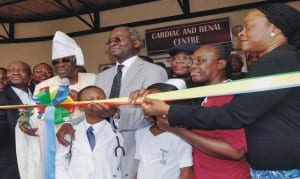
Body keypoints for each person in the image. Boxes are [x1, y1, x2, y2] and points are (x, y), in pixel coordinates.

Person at [133, 3, 300, 177]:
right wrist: (155, 93)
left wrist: (169, 112)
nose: (241, 32)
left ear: (274, 28)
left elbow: (235, 114)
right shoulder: (281, 60)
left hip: (284, 170)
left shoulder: (277, 61)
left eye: (247, 26)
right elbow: (186, 92)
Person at [57, 26, 168, 179]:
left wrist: (116, 113)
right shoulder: (103, 76)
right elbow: (94, 110)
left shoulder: (153, 71)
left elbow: (153, 113)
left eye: (118, 39)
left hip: (136, 147)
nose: (112, 43)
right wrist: (70, 124)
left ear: (136, 43)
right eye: (110, 41)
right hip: (104, 151)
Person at [151, 44, 250, 178]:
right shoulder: (207, 93)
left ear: (220, 64)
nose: (192, 66)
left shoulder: (225, 94)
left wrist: (177, 130)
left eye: (201, 61)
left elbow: (235, 151)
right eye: (192, 61)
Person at [15, 30, 96, 179]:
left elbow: (104, 111)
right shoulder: (44, 86)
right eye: (56, 62)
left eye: (65, 60)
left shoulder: (93, 80)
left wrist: (81, 101)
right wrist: (24, 120)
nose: (60, 65)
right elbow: (34, 113)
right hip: (54, 144)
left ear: (75, 60)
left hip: (86, 144)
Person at [56, 86, 124, 179]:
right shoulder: (70, 131)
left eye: (101, 99)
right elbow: (59, 163)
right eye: (90, 100)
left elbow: (122, 164)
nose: (97, 102)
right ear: (80, 107)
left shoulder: (117, 132)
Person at [135, 79, 193, 179]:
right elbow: (142, 167)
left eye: (153, 103)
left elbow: (186, 173)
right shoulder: (140, 133)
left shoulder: (180, 136)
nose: (146, 107)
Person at [0, 60, 33, 179]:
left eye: (20, 70)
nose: (15, 73)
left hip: (39, 158)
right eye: (11, 71)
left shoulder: (40, 94)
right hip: (11, 164)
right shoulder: (1, 99)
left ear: (31, 75)